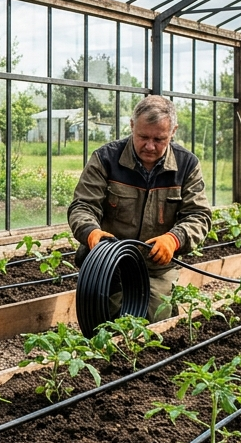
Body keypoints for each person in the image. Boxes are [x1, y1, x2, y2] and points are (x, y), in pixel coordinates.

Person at [68, 95, 212, 320]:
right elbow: (83, 205)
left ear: (173, 131)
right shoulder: (106, 159)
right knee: (106, 322)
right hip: (108, 265)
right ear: (132, 125)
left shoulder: (186, 165)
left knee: (155, 325)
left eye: (159, 139)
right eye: (143, 136)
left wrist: (174, 240)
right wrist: (90, 232)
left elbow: (199, 215)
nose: (150, 146)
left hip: (156, 266)